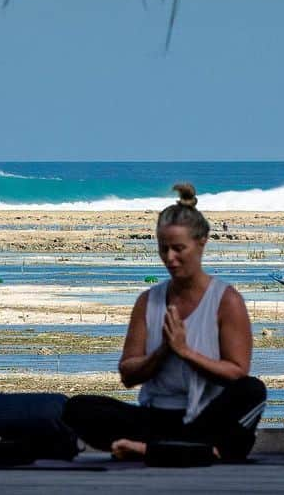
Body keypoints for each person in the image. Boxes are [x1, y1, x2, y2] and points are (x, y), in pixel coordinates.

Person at [63, 182, 266, 462]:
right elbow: (127, 374)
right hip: (155, 419)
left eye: (178, 248)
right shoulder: (149, 301)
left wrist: (186, 353)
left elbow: (236, 374)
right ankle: (191, 451)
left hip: (205, 417)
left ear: (201, 242)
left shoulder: (226, 300)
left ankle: (155, 450)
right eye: (163, 249)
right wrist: (162, 353)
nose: (170, 258)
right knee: (75, 408)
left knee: (253, 391)